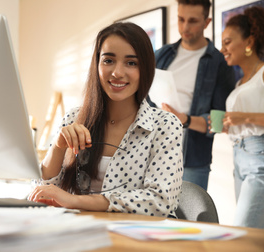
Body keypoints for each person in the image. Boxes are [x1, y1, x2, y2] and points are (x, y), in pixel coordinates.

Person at [28, 22, 183, 218]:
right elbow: (41, 193)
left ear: (145, 69)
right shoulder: (75, 118)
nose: (117, 72)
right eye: (108, 60)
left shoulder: (165, 125)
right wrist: (58, 147)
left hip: (140, 239)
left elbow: (160, 201)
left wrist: (76, 201)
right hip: (80, 234)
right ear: (97, 64)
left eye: (131, 63)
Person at [147, 0, 235, 190]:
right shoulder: (161, 55)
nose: (185, 27)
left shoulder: (220, 63)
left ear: (207, 22)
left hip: (193, 160)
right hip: (154, 152)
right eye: (181, 19)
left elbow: (220, 122)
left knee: (188, 218)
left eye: (193, 21)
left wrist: (184, 119)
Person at [219, 6, 264, 230]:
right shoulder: (239, 84)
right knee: (263, 239)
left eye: (227, 42)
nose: (222, 48)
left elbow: (249, 120)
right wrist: (231, 126)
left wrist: (244, 118)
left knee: (244, 234)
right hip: (240, 161)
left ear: (249, 41)